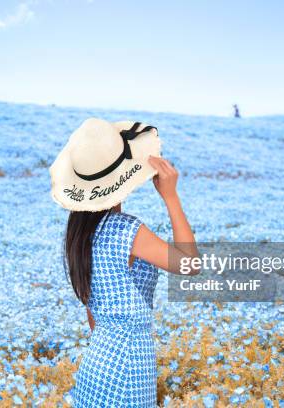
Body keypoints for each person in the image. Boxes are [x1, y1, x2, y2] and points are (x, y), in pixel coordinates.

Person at [49, 118, 199, 407]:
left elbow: (93, 314)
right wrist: (171, 197)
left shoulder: (79, 234)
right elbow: (189, 264)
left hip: (97, 360)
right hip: (129, 364)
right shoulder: (125, 229)